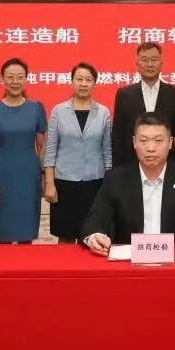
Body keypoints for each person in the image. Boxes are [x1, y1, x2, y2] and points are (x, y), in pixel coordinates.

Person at [80, 112, 175, 256]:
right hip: (129, 263)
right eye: (143, 140)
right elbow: (93, 222)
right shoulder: (116, 179)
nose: (150, 148)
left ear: (170, 143)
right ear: (134, 142)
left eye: (158, 140)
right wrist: (94, 236)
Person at [44, 63, 112, 243]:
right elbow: (50, 150)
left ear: (94, 83)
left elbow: (107, 151)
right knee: (65, 237)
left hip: (95, 183)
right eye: (79, 79)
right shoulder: (59, 111)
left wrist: (109, 183)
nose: (83, 83)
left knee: (92, 235)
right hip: (65, 183)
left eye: (88, 80)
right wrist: (49, 183)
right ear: (72, 81)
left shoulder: (103, 112)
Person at [0, 58, 47, 243]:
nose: (15, 81)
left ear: (26, 79)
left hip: (29, 177)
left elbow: (42, 146)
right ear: (2, 79)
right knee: (4, 236)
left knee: (27, 236)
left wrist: (44, 177)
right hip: (2, 177)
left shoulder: (36, 108)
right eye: (10, 77)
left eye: (20, 77)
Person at [112, 42, 175, 167]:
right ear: (137, 63)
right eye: (145, 60)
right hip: (132, 164)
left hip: (167, 164)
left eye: (154, 60)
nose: (150, 64)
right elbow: (118, 135)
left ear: (161, 63)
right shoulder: (124, 94)